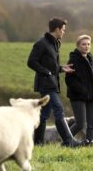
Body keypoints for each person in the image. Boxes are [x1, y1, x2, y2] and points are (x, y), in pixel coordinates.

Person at [27, 17, 86, 147]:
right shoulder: (41, 43)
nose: (64, 32)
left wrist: (61, 68)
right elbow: (31, 62)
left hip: (52, 82)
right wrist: (46, 72)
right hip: (45, 84)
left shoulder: (54, 43)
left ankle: (37, 143)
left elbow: (50, 64)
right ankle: (69, 141)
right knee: (58, 109)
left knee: (44, 114)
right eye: (63, 30)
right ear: (57, 29)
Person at [65, 34, 93, 146]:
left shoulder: (91, 59)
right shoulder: (73, 60)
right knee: (80, 124)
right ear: (78, 46)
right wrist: (83, 91)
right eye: (84, 44)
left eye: (88, 44)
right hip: (78, 97)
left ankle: (88, 143)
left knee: (92, 123)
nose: (86, 46)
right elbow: (69, 81)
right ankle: (66, 140)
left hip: (92, 96)